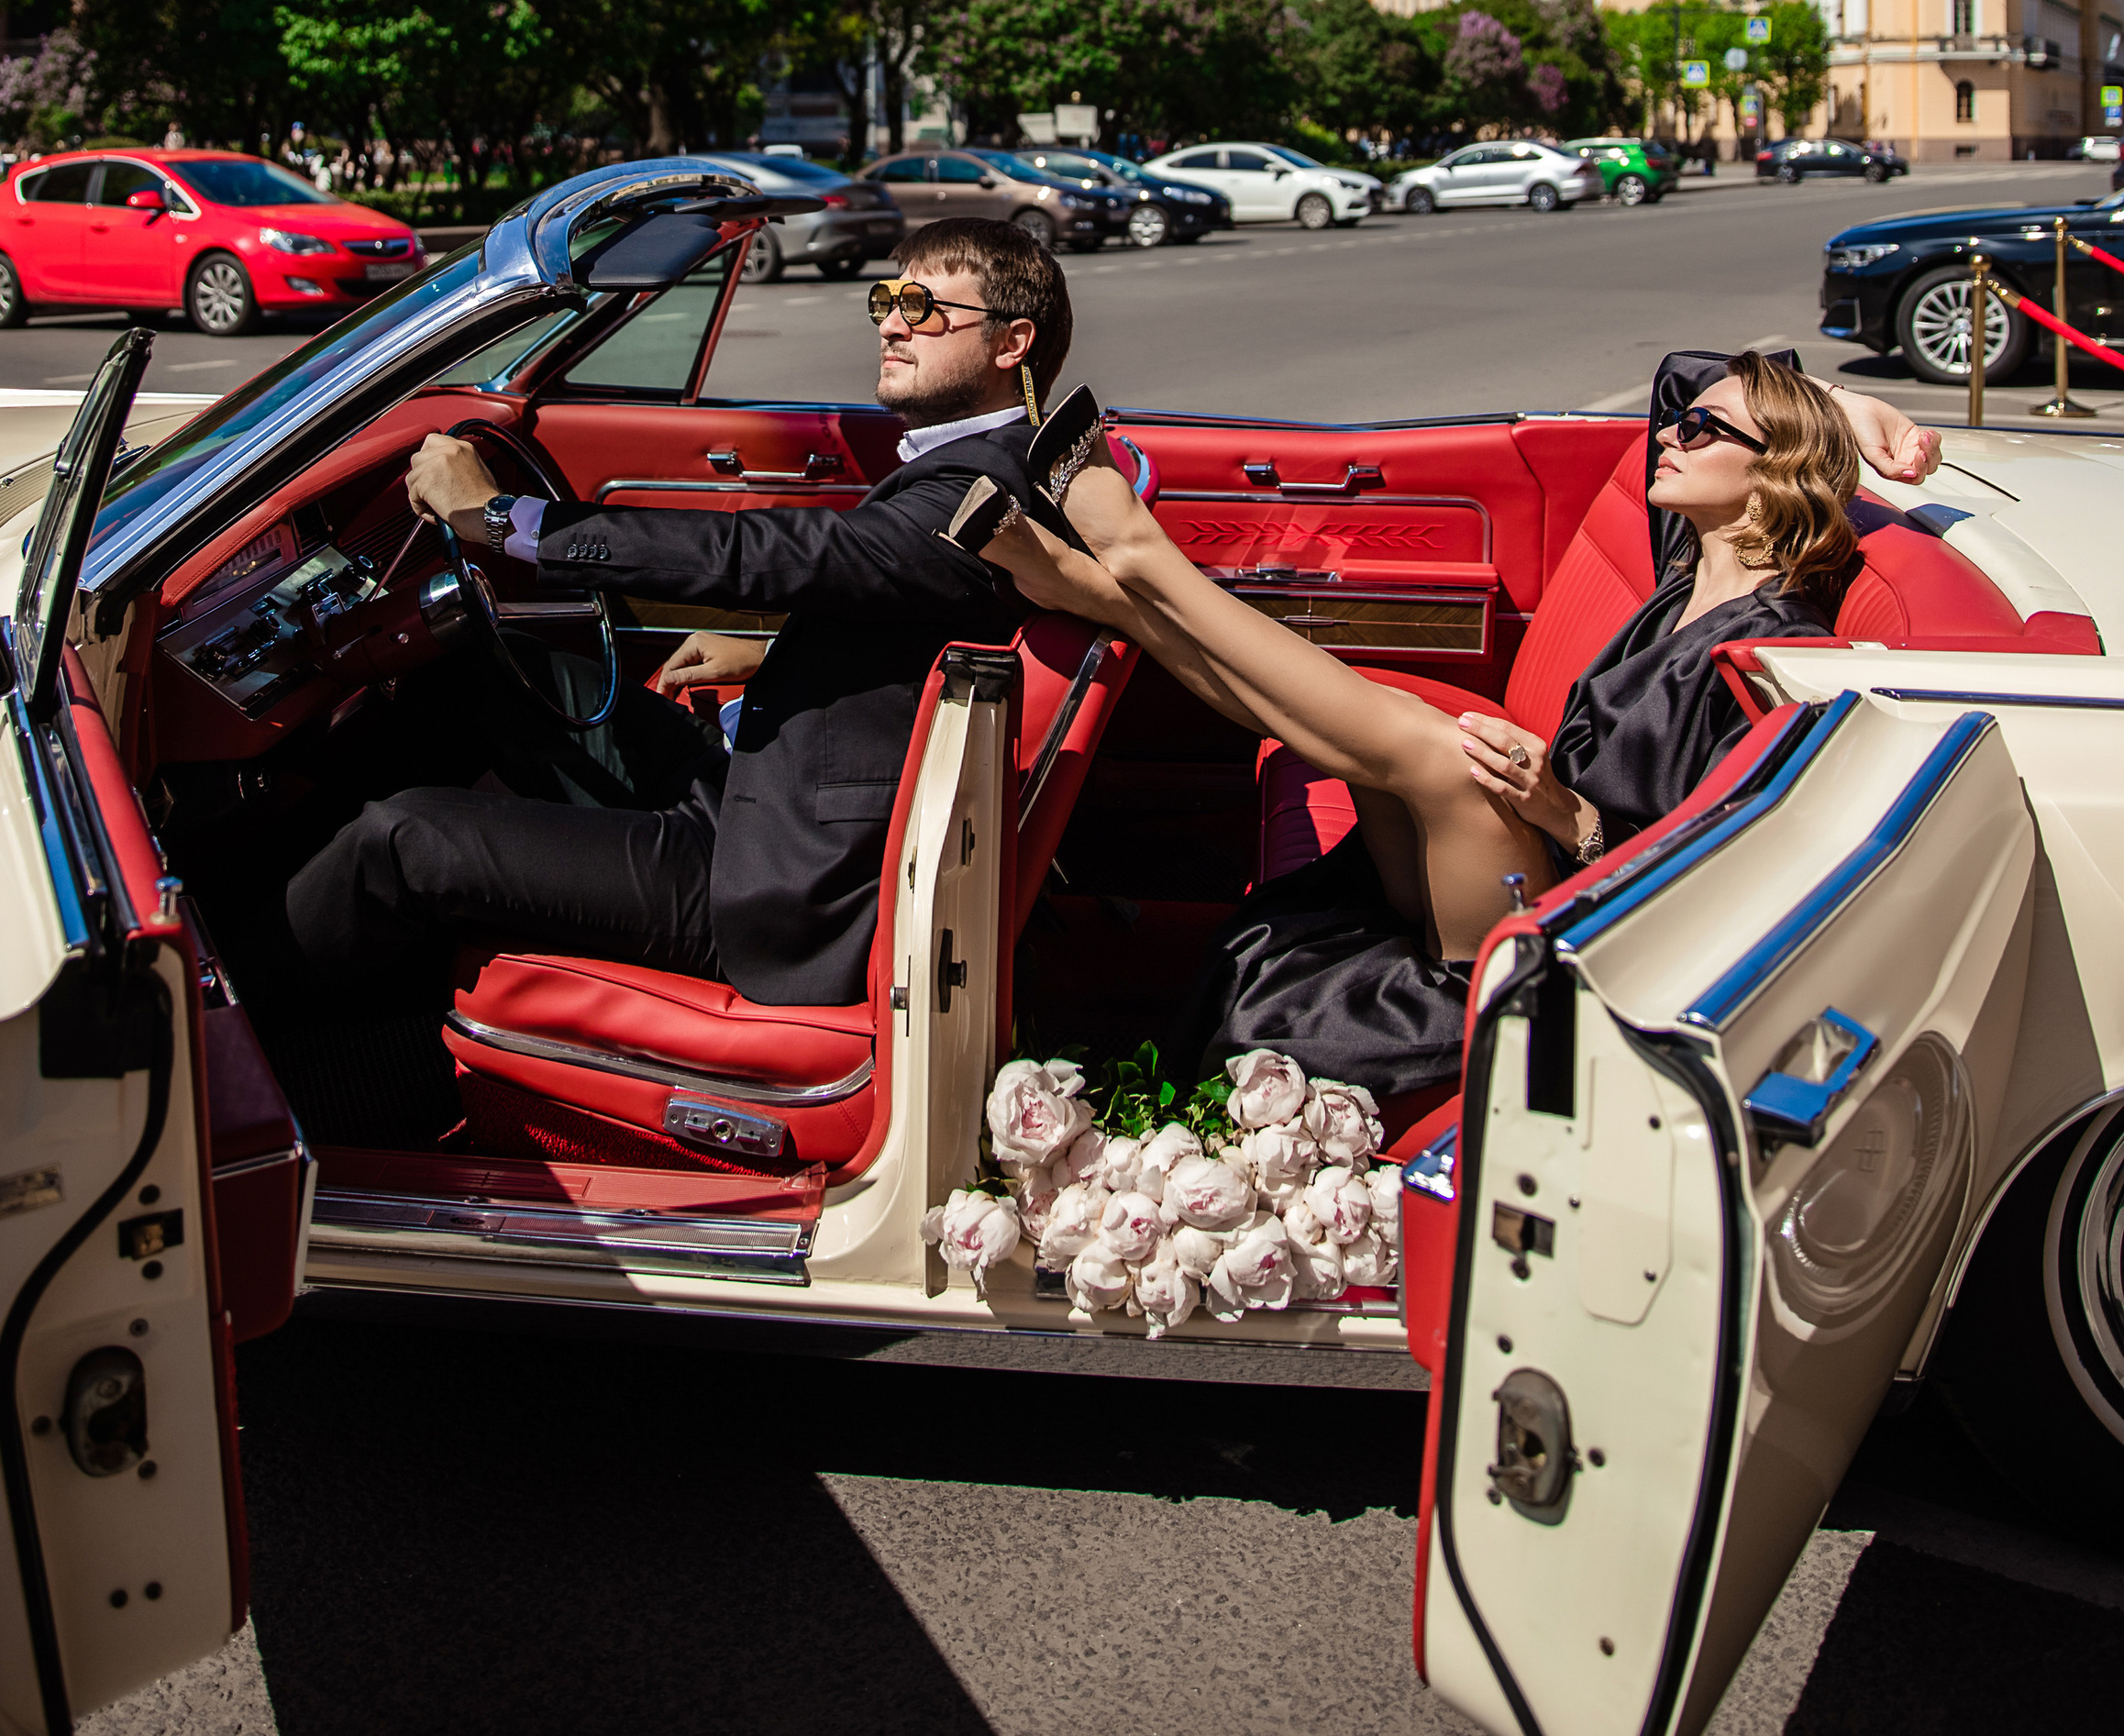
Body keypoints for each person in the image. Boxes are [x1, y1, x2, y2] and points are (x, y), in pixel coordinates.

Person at [979, 350, 1939, 1095]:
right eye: (1681, 426)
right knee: (1371, 722)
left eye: (1702, 431)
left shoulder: (1770, 647)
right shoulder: (1684, 572)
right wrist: (1843, 401)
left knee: (1434, 752)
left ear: (1776, 474)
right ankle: (1117, 597)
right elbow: (1682, 377)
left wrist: (1571, 818)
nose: (1671, 436)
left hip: (1586, 920)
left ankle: (1142, 562)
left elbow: (1720, 873)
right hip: (1525, 863)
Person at [282, 219, 1068, 1012]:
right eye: (887, 301)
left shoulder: (980, 496)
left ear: (1012, 343)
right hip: (758, 780)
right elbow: (912, 609)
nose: (891, 323)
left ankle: (245, 1028)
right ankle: (293, 885)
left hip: (769, 873)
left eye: (924, 309)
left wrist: (502, 519)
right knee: (480, 674)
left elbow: (755, 552)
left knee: (401, 839)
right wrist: (779, 655)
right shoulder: (982, 468)